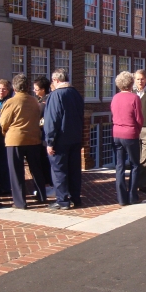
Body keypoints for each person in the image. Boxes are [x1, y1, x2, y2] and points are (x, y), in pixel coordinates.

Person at [0, 74, 48, 209]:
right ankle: (41, 195)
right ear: (27, 87)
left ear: (14, 88)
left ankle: (20, 201)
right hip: (33, 138)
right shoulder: (34, 101)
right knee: (36, 170)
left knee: (16, 172)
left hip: (15, 139)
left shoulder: (11, 102)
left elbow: (3, 122)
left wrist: (5, 132)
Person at [44, 68, 85, 210]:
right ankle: (76, 198)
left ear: (56, 80)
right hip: (75, 137)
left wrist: (50, 141)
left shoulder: (56, 95)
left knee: (59, 170)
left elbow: (52, 120)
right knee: (74, 170)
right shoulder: (76, 94)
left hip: (60, 140)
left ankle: (62, 200)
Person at [111, 71, 143, 206]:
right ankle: (132, 196)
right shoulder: (134, 98)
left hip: (116, 134)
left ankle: (121, 198)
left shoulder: (115, 97)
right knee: (135, 165)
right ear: (131, 83)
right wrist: (138, 130)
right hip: (130, 134)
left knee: (120, 166)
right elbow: (139, 119)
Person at [33, 76, 54, 191]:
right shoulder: (44, 99)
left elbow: (37, 115)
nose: (34, 91)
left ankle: (48, 184)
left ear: (43, 89)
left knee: (44, 161)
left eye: (36, 89)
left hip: (44, 135)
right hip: (44, 133)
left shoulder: (44, 102)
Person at [0, 79, 12, 196]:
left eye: (4, 89)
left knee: (3, 162)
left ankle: (5, 186)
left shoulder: (9, 102)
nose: (1, 91)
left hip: (5, 134)